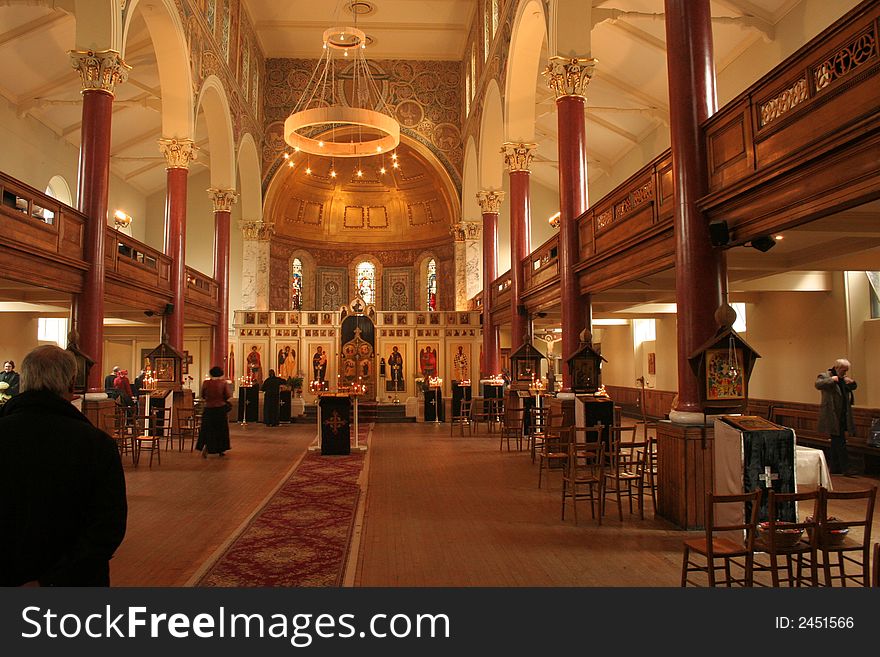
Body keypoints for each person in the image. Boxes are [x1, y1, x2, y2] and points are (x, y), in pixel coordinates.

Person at [0, 345, 127, 586]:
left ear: (24, 380)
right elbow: (107, 527)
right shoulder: (96, 444)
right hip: (74, 585)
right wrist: (50, 581)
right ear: (71, 383)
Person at [815, 358, 858, 476]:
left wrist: (851, 382)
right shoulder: (825, 376)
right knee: (840, 441)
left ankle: (834, 467)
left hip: (843, 414)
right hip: (832, 415)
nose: (845, 373)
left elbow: (853, 387)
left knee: (836, 441)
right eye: (844, 370)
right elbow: (818, 385)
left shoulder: (843, 379)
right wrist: (831, 380)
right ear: (837, 368)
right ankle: (846, 468)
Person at [196, 366, 231, 458]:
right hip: (220, 409)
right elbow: (227, 395)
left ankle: (206, 447)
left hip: (208, 409)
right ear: (221, 373)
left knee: (208, 429)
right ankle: (220, 449)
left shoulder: (206, 383)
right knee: (220, 429)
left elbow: (202, 395)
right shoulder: (223, 383)